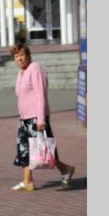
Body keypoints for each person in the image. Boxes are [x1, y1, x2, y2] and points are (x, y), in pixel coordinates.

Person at [10, 42, 76, 192]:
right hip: (24, 119)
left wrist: (41, 119)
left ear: (28, 55)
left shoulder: (35, 69)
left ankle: (66, 169)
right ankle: (28, 181)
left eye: (22, 55)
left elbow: (41, 95)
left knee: (44, 150)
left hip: (36, 117)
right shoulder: (21, 73)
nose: (19, 58)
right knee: (24, 150)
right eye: (16, 56)